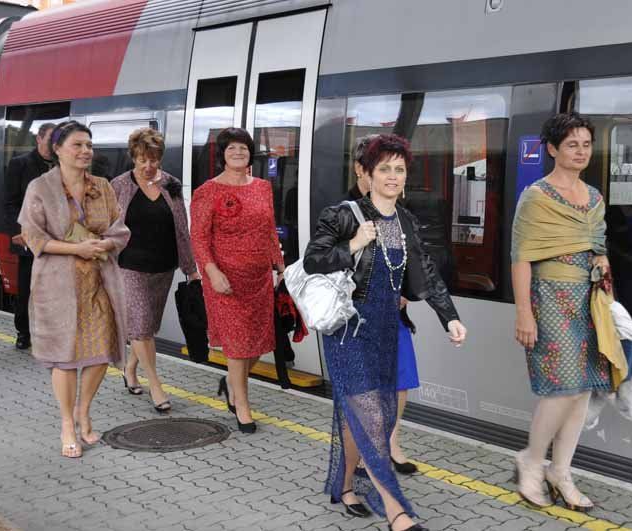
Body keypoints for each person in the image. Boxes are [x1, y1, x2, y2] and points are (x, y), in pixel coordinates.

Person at [305, 134, 467, 531]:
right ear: (368, 173)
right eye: (384, 169)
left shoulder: (405, 220)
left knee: (357, 418)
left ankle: (345, 486)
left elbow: (426, 272)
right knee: (372, 417)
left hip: (386, 328)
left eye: (399, 169)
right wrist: (354, 244)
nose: (393, 176)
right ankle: (397, 513)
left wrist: (449, 317)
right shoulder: (343, 215)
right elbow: (313, 260)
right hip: (348, 330)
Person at [511, 112, 614, 511]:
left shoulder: (595, 198)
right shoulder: (536, 196)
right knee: (562, 388)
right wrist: (524, 313)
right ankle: (532, 461)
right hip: (550, 298)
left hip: (589, 302)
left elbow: (599, 250)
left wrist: (607, 295)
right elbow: (521, 257)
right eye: (572, 145)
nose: (581, 151)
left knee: (583, 389)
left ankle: (561, 470)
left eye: (586, 144)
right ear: (553, 149)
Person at [18, 121, 130, 458]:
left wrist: (104, 244)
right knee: (64, 357)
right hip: (57, 286)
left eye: (89, 145)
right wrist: (77, 249)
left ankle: (83, 410)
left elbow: (120, 229)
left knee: (103, 349)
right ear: (57, 150)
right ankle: (67, 424)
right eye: (77, 145)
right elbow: (33, 236)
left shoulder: (103, 186)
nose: (85, 151)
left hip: (98, 282)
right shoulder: (40, 187)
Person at [190, 127, 284, 434]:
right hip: (224, 280)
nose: (238, 152)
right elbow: (199, 238)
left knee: (258, 342)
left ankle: (231, 381)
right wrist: (212, 272)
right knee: (237, 343)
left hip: (259, 279)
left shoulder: (262, 187)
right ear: (223, 155)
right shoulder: (207, 192)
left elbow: (269, 230)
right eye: (231, 148)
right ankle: (241, 405)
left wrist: (281, 266)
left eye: (243, 147)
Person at [111, 128, 199, 412]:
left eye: (154, 160)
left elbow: (182, 228)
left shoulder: (171, 184)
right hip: (129, 266)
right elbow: (106, 226)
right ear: (133, 158)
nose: (148, 166)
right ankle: (156, 386)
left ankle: (130, 369)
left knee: (147, 327)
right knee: (140, 326)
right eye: (142, 160)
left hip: (163, 266)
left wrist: (190, 268)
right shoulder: (119, 185)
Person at [348, 135, 418, 474]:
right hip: (359, 315)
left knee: (400, 379)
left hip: (393, 313)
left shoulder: (397, 211)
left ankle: (390, 440)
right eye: (378, 167)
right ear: (361, 170)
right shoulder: (346, 211)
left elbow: (409, 260)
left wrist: (407, 291)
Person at [4, 122, 56, 350]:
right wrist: (21, 232)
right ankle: (23, 332)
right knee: (27, 288)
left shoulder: (62, 165)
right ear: (39, 139)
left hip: (56, 239)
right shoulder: (20, 164)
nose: (54, 144)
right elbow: (10, 203)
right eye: (51, 139)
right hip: (28, 238)